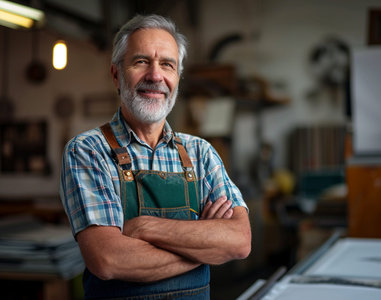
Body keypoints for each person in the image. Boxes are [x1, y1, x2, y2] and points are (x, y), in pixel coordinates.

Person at [59, 14, 251, 300]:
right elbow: (108, 259)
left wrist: (145, 227)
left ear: (177, 77)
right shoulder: (88, 151)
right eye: (141, 61)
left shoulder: (201, 154)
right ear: (116, 74)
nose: (155, 75)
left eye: (167, 64)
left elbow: (239, 242)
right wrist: (204, 244)